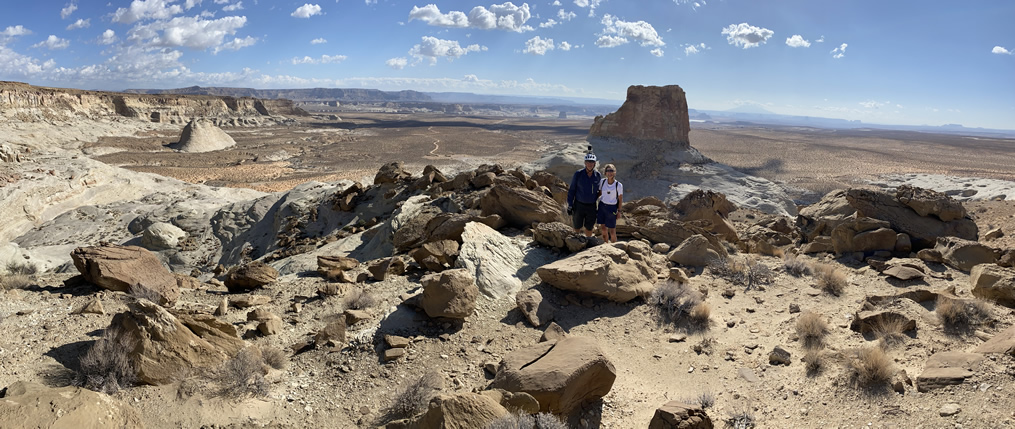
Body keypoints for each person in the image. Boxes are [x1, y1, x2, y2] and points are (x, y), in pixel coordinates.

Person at [567, 150, 602, 237]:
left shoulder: (597, 175)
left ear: (594, 163)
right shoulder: (578, 174)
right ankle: (575, 242)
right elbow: (572, 190)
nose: (590, 164)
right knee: (577, 225)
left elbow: (600, 190)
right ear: (585, 163)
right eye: (588, 162)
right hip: (579, 205)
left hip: (591, 206)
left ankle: (588, 242)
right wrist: (570, 205)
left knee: (589, 227)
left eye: (592, 162)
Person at [597, 164, 623, 243]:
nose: (610, 173)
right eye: (608, 171)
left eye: (611, 171)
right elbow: (599, 193)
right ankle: (606, 245)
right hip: (602, 206)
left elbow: (620, 199)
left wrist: (619, 211)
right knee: (604, 230)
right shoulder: (602, 182)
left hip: (612, 208)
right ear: (605, 173)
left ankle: (614, 248)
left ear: (615, 172)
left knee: (612, 231)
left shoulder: (618, 185)